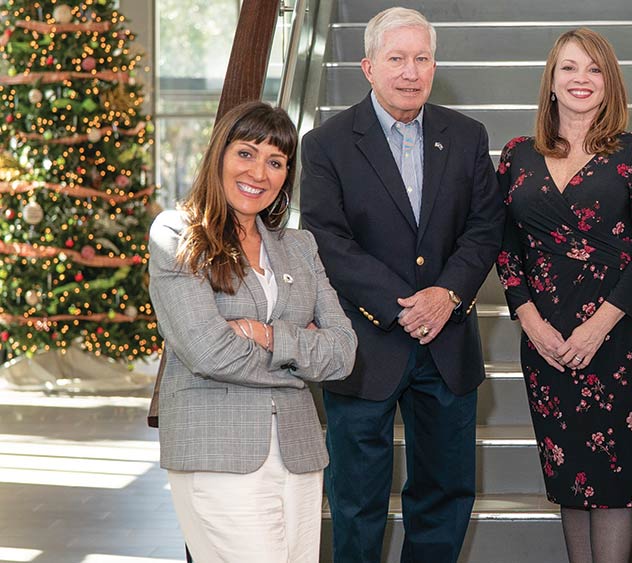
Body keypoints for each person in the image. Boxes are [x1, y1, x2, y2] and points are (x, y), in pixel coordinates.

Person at [298, 7, 504, 563]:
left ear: (434, 65)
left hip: (447, 343)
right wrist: (402, 307)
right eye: (397, 59)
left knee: (444, 494)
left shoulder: (465, 136)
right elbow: (328, 239)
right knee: (356, 501)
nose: (411, 71)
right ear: (368, 67)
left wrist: (447, 295)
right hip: (365, 347)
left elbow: (486, 228)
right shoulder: (326, 144)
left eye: (422, 58)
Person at [147, 101, 358, 563]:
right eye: (246, 153)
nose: (259, 172)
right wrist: (300, 358)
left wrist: (265, 335)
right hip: (217, 454)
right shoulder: (177, 234)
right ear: (219, 154)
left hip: (299, 458)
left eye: (276, 161)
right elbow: (208, 352)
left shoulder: (299, 246)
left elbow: (342, 353)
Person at [495, 28, 632, 563]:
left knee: (614, 486)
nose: (581, 79)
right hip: (545, 339)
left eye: (594, 69)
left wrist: (597, 327)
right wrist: (530, 322)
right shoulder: (516, 154)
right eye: (569, 68)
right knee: (569, 478)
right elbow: (503, 248)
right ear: (550, 81)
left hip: (617, 339)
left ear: (609, 82)